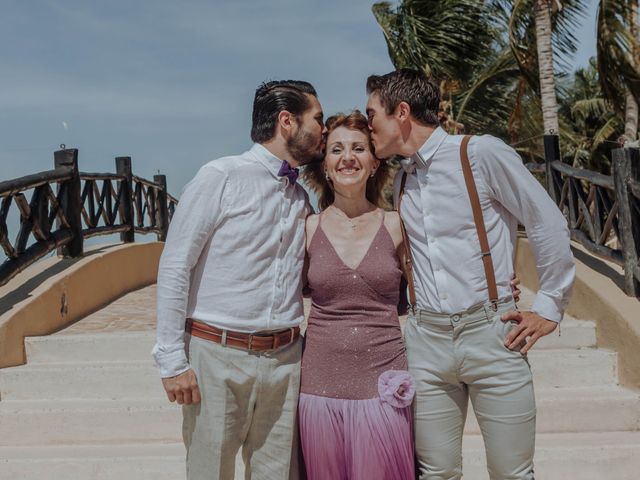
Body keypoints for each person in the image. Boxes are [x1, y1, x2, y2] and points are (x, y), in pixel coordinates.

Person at [365, 68, 575, 480]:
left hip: (492, 333)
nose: (368, 123)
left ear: (401, 112)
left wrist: (549, 307)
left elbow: (546, 222)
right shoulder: (402, 179)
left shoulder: (479, 153)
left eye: (372, 113)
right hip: (427, 342)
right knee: (436, 473)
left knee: (511, 473)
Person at [152, 79, 326, 480]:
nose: (323, 129)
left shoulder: (301, 199)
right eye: (317, 119)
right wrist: (171, 360)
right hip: (216, 356)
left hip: (285, 360)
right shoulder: (220, 177)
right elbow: (176, 265)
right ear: (287, 121)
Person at [299, 110, 416, 480]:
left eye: (358, 148)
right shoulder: (307, 227)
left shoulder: (397, 224)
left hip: (383, 380)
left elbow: (429, 292)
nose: (347, 157)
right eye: (336, 149)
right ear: (326, 166)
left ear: (373, 162)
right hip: (318, 386)